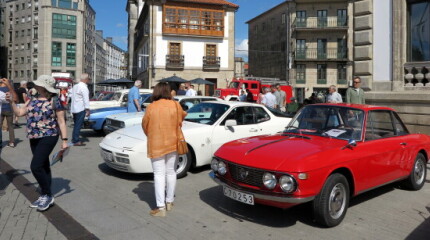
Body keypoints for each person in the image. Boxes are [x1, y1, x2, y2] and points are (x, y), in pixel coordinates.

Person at [5, 76, 68, 211]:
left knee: (36, 166)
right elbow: (20, 112)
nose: (35, 86)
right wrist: (11, 102)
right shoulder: (32, 99)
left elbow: (62, 122)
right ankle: (46, 190)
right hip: (33, 136)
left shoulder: (55, 100)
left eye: (38, 85)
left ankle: (47, 195)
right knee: (43, 164)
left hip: (49, 135)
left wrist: (64, 141)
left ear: (44, 87)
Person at [142, 82, 187, 217]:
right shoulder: (175, 105)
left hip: (156, 144)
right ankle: (169, 202)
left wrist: (152, 135)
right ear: (169, 91)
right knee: (171, 172)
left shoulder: (151, 107)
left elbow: (145, 125)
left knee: (159, 174)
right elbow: (182, 118)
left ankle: (161, 207)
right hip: (173, 142)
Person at [71, 73, 90, 146]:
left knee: (76, 124)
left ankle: (74, 138)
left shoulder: (75, 86)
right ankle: (76, 140)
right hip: (80, 108)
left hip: (74, 108)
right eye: (88, 79)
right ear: (86, 79)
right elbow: (86, 99)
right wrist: (87, 109)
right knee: (78, 125)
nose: (88, 80)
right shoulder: (84, 87)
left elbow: (71, 96)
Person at [0, 80, 15, 148]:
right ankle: (12, 142)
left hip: (1, 109)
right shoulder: (10, 88)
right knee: (10, 126)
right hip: (9, 109)